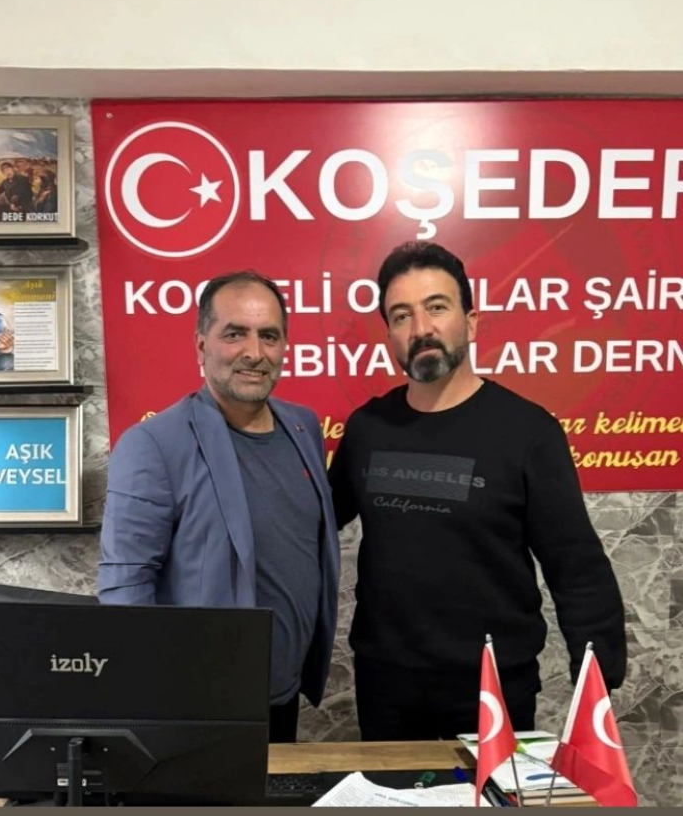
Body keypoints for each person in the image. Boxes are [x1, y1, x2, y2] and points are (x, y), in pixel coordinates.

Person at [329, 240, 627, 741]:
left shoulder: (528, 432)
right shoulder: (367, 429)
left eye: (436, 307)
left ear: (470, 322)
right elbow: (312, 523)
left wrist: (597, 680)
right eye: (401, 316)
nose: (420, 328)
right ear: (390, 336)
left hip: (494, 687)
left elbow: (575, 565)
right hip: (386, 685)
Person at [98, 270, 340, 743]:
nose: (254, 352)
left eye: (269, 335)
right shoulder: (153, 444)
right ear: (201, 345)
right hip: (199, 706)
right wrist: (149, 706)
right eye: (234, 334)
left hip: (283, 694)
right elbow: (125, 586)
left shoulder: (304, 427)